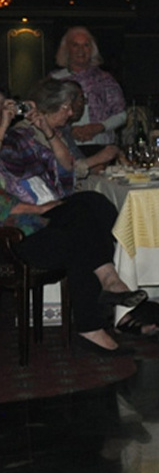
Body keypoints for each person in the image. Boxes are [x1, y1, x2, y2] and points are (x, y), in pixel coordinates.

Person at [1, 81, 145, 355]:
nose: (5, 112)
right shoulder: (12, 140)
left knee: (95, 205)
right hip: (15, 236)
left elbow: (66, 176)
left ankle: (103, 297)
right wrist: (39, 210)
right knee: (81, 227)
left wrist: (47, 130)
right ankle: (101, 307)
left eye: (6, 106)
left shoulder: (18, 138)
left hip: (43, 223)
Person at [49, 26, 127, 148]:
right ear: (66, 49)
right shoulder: (55, 80)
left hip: (102, 146)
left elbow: (121, 115)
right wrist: (69, 131)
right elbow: (46, 116)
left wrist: (99, 127)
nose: (81, 50)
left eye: (86, 45)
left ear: (92, 50)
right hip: (65, 147)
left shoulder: (105, 79)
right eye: (75, 45)